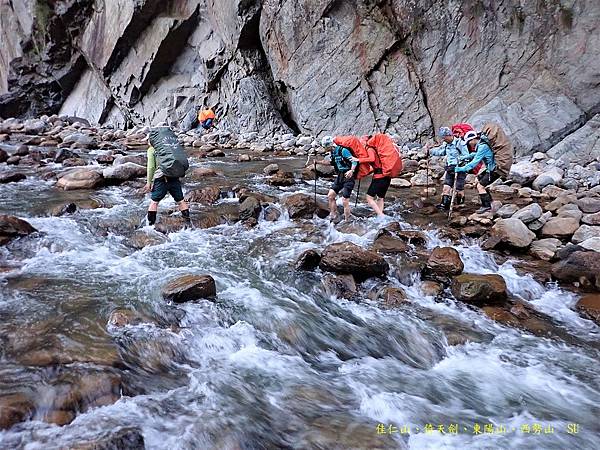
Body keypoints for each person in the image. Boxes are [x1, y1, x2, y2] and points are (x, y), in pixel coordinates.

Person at [143, 136, 190, 226]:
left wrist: (149, 182)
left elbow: (151, 167)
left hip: (161, 178)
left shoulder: (152, 150)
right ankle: (188, 223)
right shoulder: (170, 147)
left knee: (154, 202)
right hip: (174, 176)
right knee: (180, 200)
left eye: (148, 140)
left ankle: (150, 226)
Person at [426, 126, 471, 210]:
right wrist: (430, 151)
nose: (443, 140)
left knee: (459, 188)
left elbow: (467, 156)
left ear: (449, 135)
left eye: (444, 138)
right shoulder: (446, 145)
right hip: (450, 168)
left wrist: (461, 164)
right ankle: (444, 205)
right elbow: (440, 151)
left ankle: (460, 204)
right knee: (446, 186)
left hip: (460, 168)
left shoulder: (460, 143)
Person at [455, 130, 498, 213]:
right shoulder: (481, 144)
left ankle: (486, 206)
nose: (469, 144)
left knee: (480, 186)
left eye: (469, 142)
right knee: (478, 180)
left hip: (493, 170)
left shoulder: (482, 147)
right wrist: (464, 157)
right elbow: (475, 154)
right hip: (490, 169)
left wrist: (461, 169)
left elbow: (473, 163)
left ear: (474, 139)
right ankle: (490, 202)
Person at [322, 136, 358, 221]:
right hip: (340, 176)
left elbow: (355, 160)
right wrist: (318, 162)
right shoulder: (333, 152)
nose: (324, 148)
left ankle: (347, 220)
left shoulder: (343, 150)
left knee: (344, 200)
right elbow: (332, 163)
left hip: (348, 176)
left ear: (329, 145)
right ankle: (333, 215)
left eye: (324, 147)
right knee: (330, 196)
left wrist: (351, 171)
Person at [355, 136, 390, 218]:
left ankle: (381, 215)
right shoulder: (377, 149)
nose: (361, 143)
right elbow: (376, 166)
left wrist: (358, 160)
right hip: (386, 176)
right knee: (380, 198)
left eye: (362, 141)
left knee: (369, 197)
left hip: (379, 177)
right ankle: (380, 215)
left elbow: (371, 158)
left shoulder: (370, 149)